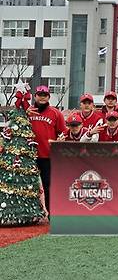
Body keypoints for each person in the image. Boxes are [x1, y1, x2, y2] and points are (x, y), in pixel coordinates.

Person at [27, 85, 66, 214]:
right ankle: (29, 213)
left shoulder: (55, 113)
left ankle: (51, 213)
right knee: (28, 186)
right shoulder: (28, 112)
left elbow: (63, 132)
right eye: (40, 95)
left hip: (48, 156)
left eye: (45, 95)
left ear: (49, 97)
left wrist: (61, 140)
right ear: (35, 96)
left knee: (48, 185)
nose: (42, 97)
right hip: (28, 156)